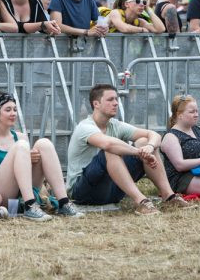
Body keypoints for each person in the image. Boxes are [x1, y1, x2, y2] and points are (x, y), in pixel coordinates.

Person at [66, 84, 191, 214]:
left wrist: (149, 147)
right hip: (81, 193)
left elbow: (154, 135)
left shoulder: (115, 125)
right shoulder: (85, 127)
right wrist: (139, 153)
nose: (116, 103)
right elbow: (108, 145)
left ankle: (169, 197)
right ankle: (141, 202)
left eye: (116, 99)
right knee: (111, 151)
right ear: (96, 104)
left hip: (111, 190)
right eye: (110, 99)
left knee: (144, 141)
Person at [0, 91, 83, 220]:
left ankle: (63, 202)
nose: (13, 113)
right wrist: (19, 157)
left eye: (15, 109)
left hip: (21, 195)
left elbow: (24, 172)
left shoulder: (21, 136)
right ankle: (29, 206)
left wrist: (27, 160)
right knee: (21, 146)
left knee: (44, 143)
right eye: (8, 110)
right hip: (0, 195)